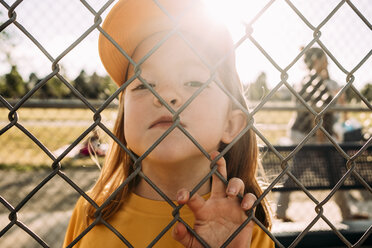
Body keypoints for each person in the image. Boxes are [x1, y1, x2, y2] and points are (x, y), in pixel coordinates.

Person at [63, 0, 274, 247]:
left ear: (231, 123)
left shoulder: (243, 224)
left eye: (194, 83)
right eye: (143, 84)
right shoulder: (92, 210)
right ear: (123, 118)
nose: (164, 95)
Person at [276, 47, 368, 222]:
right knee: (298, 173)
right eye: (324, 59)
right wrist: (320, 142)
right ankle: (281, 211)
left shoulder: (318, 81)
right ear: (316, 61)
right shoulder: (311, 82)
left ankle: (346, 213)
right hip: (309, 136)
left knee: (332, 172)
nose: (327, 62)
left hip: (315, 135)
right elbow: (316, 115)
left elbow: (330, 110)